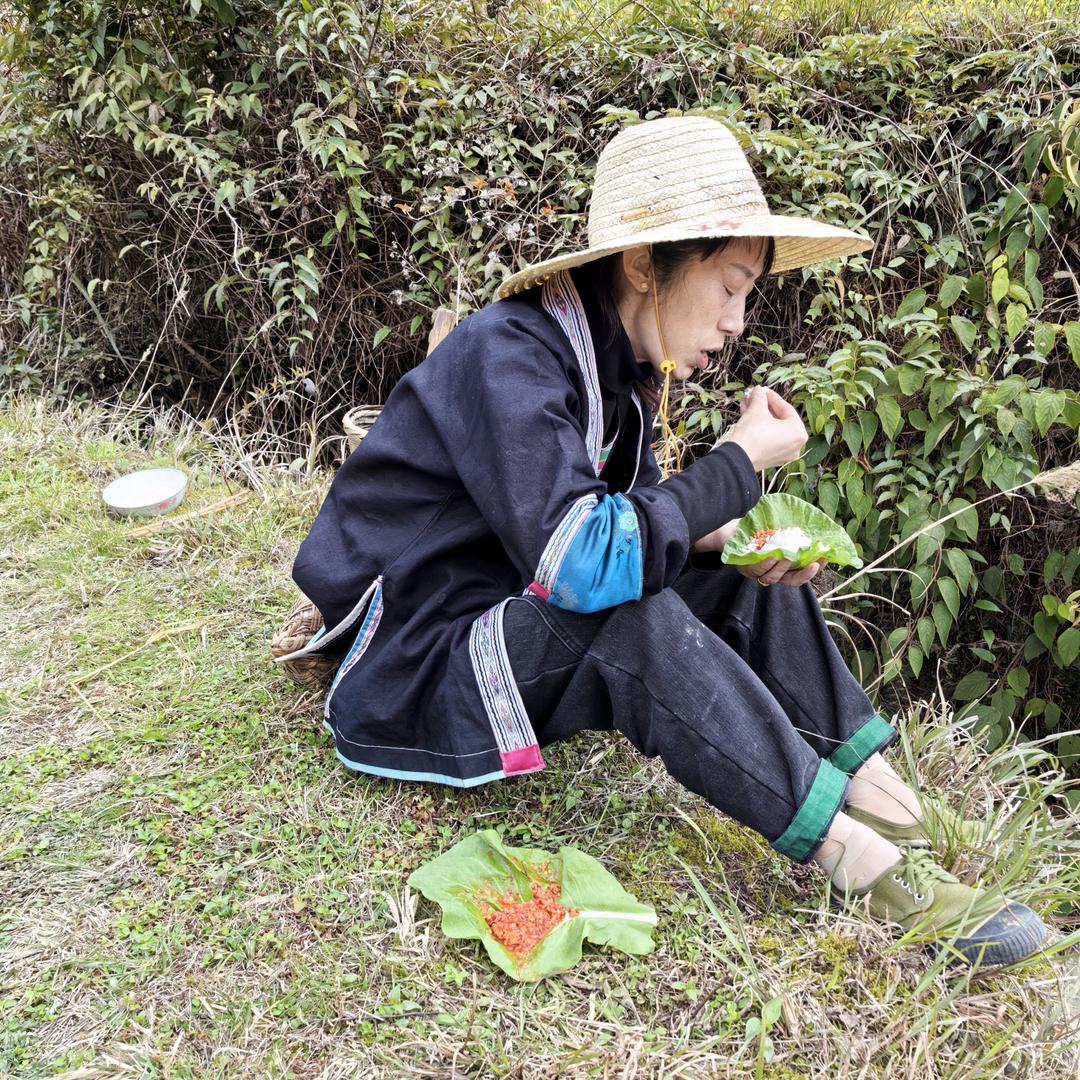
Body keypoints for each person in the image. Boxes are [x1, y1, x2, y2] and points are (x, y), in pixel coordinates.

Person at [281, 116, 1047, 968]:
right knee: (628, 613)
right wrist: (736, 464)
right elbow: (586, 563)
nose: (737, 319)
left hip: (506, 604)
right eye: (727, 285)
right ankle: (857, 860)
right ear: (646, 266)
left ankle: (878, 789)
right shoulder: (509, 355)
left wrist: (736, 539)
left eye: (748, 293)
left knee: (740, 574)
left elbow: (638, 518)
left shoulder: (620, 373)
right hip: (421, 654)